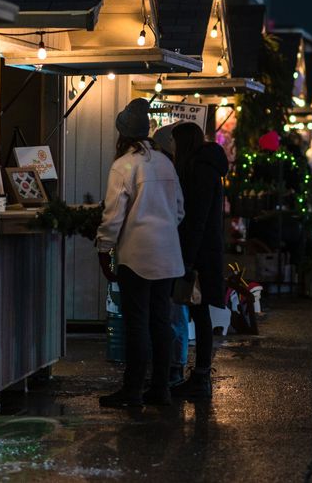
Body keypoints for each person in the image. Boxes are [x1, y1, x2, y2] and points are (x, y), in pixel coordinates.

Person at [95, 99, 185, 408]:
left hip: (136, 255)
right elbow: (179, 210)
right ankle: (161, 388)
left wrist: (104, 248)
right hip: (168, 256)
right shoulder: (165, 162)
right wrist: (163, 231)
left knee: (137, 323)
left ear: (122, 135)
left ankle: (132, 390)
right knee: (160, 322)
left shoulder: (123, 165)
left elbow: (113, 213)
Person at [171, 122, 229, 400]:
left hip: (200, 255)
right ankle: (200, 375)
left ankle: (201, 376)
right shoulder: (206, 167)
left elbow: (197, 220)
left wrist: (188, 260)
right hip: (205, 251)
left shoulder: (201, 170)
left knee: (200, 313)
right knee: (199, 313)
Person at [152, 121, 189, 386]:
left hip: (171, 251)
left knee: (172, 312)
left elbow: (179, 213)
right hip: (175, 250)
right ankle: (171, 368)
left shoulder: (174, 171)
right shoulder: (179, 170)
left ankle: (172, 369)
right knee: (172, 312)